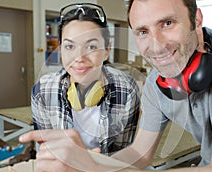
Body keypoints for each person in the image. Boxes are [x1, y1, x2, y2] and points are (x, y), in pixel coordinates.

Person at [20, 0, 212, 172]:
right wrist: (91, 165)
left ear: (196, 20)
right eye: (143, 32)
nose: (156, 46)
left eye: (167, 23)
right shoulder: (159, 82)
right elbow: (140, 153)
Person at [31, 3, 140, 154]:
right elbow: (47, 149)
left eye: (91, 47)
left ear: (107, 50)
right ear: (61, 49)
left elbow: (123, 152)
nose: (79, 58)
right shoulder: (43, 90)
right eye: (70, 46)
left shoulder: (127, 89)